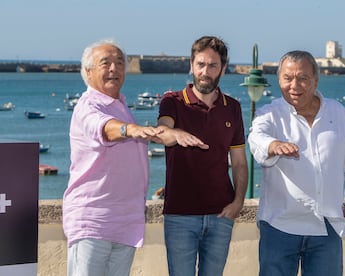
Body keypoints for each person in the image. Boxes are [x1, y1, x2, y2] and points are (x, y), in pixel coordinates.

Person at [248, 50, 345, 276]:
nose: (294, 85)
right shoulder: (269, 114)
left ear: (315, 80)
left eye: (303, 78)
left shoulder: (338, 112)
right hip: (279, 226)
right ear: (279, 80)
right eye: (287, 78)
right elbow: (256, 138)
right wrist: (273, 145)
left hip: (327, 226)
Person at [62, 39, 162, 276]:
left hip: (124, 222)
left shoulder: (120, 106)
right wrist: (131, 129)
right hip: (93, 222)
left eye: (119, 63)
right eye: (105, 63)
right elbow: (103, 127)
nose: (114, 69)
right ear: (88, 72)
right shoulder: (87, 106)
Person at [156, 35, 248, 276]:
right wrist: (175, 133)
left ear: (223, 69)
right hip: (180, 217)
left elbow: (239, 162)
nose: (205, 71)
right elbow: (162, 131)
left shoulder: (233, 108)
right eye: (200, 64)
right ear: (191, 65)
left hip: (221, 216)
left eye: (212, 65)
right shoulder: (172, 102)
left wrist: (238, 203)